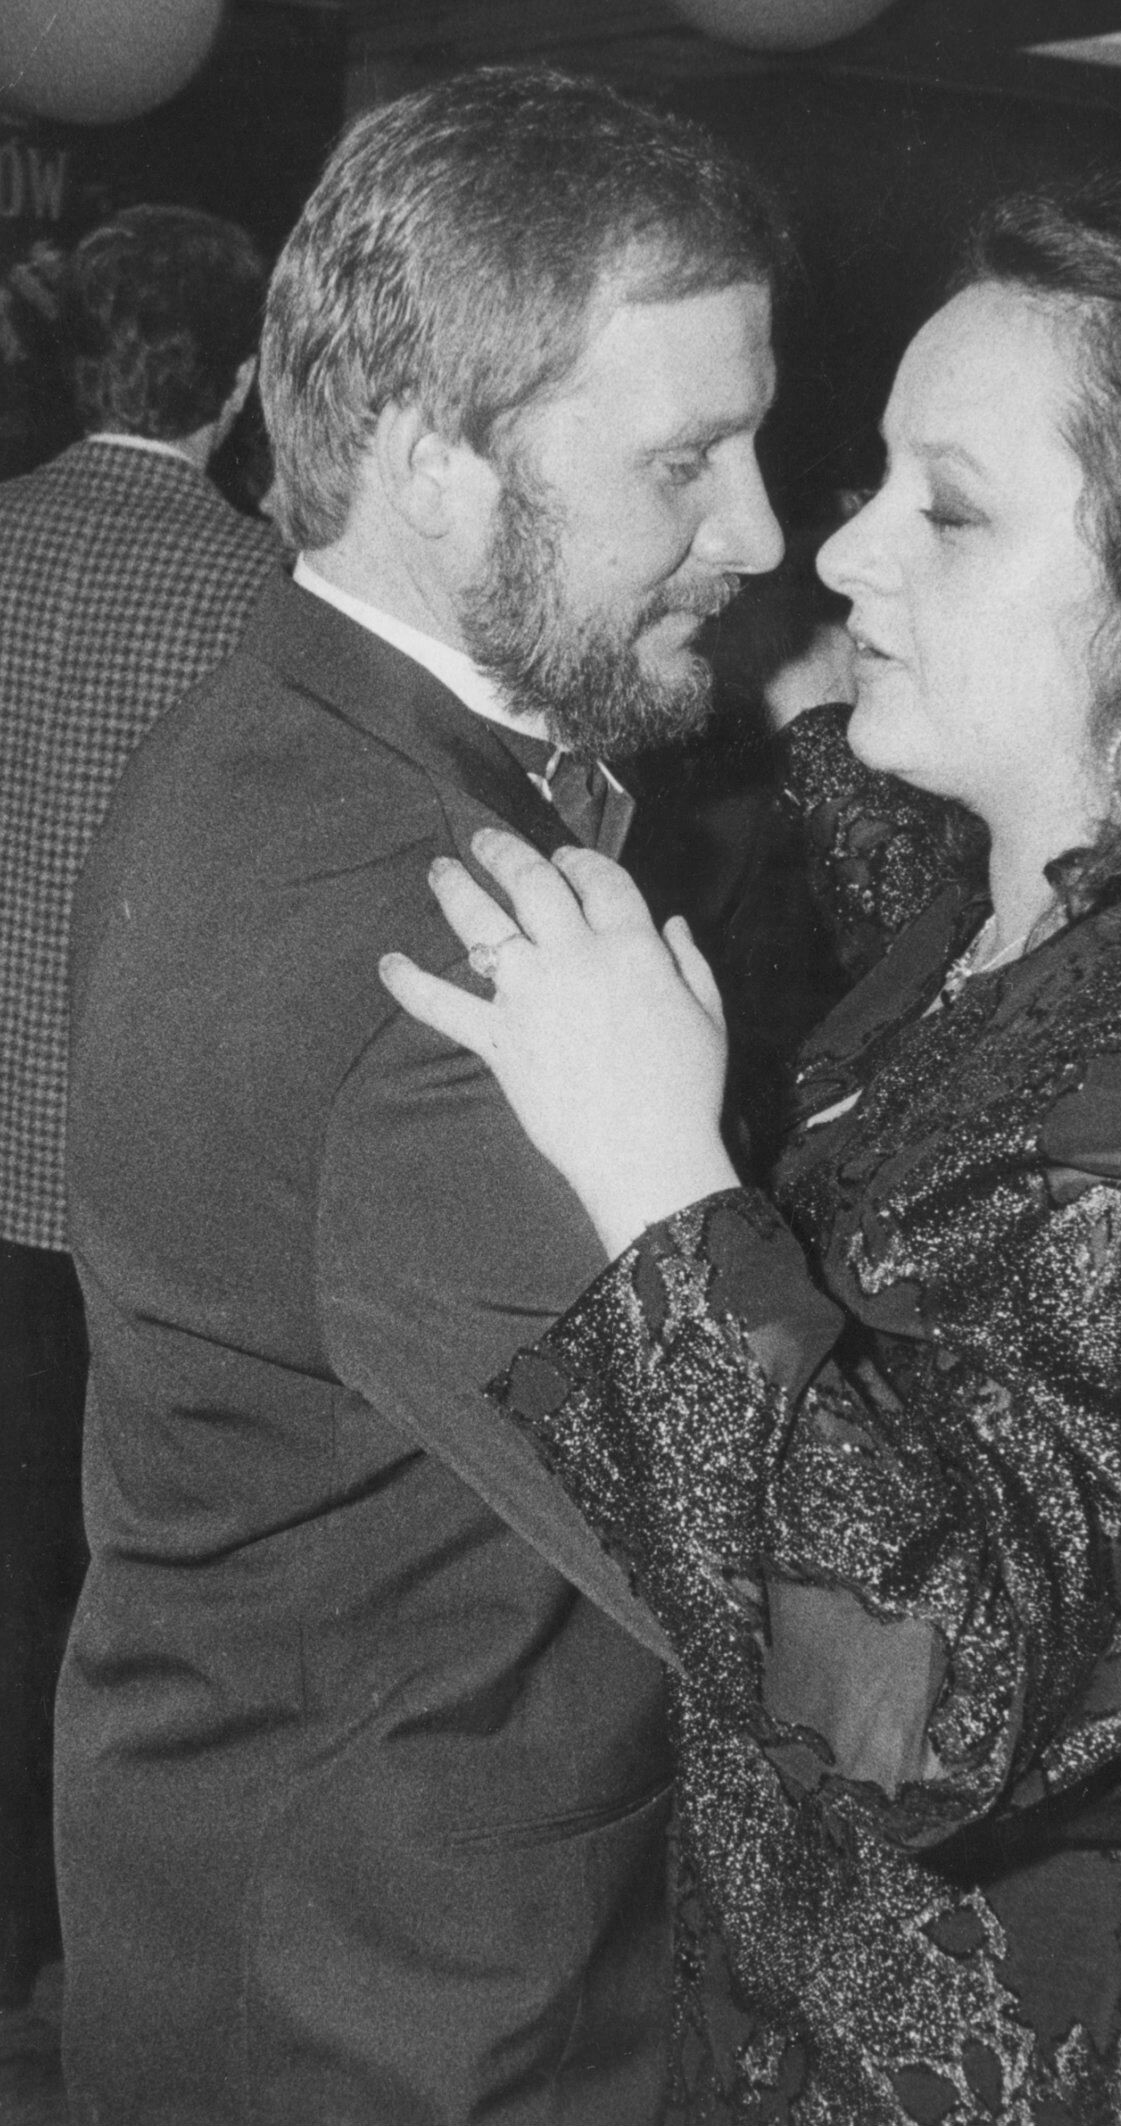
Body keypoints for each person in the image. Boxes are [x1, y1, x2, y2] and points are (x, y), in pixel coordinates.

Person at [382, 164, 1121, 2123]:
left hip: (1036, 2046)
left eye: (950, 509)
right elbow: (917, 939)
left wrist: (655, 1173)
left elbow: (925, 1695)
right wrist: (804, 702)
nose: (841, 550)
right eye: (876, 480)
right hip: (841, 1988)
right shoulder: (1027, 900)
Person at [57, 70, 787, 2125]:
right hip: (405, 2006)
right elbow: (820, 1617)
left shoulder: (282, 725)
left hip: (263, 1889)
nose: (758, 532)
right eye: (684, 460)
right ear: (429, 464)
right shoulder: (445, 941)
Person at [0, 202, 278, 2008]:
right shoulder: (264, 598)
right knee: (99, 1589)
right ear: (242, 381)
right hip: (122, 1181)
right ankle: (67, 1937)